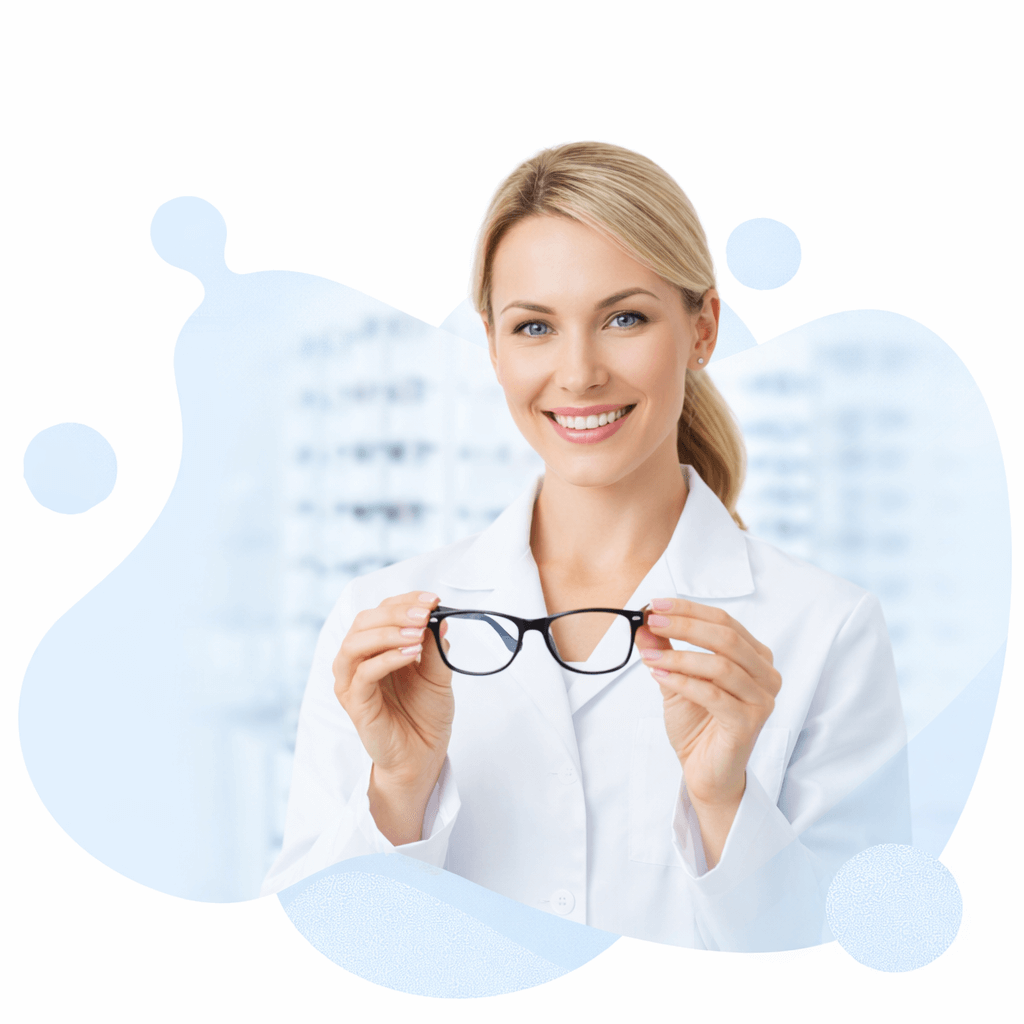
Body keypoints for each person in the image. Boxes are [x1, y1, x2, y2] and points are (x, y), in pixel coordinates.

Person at [261, 142, 910, 951]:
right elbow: (306, 964)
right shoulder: (379, 626)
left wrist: (724, 804)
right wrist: (398, 789)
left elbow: (863, 964)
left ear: (703, 329)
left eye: (624, 318)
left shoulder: (827, 628)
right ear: (494, 346)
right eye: (534, 327)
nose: (577, 374)